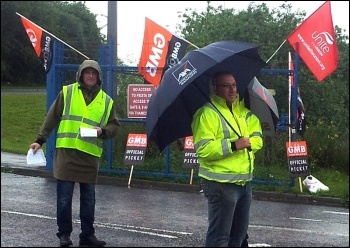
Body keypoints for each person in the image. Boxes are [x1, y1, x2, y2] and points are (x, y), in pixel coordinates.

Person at [29, 60, 120, 247]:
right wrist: (40, 140)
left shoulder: (107, 100)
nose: (91, 76)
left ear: (98, 77)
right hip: (67, 154)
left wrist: (103, 131)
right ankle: (64, 235)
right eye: (87, 73)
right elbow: (51, 117)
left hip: (89, 156)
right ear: (80, 75)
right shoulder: (68, 92)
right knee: (64, 198)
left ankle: (87, 235)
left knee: (89, 199)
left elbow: (114, 126)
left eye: (94, 73)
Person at [191, 71, 263, 247]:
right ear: (215, 88)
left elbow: (258, 138)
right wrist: (233, 145)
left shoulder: (244, 113)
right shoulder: (207, 114)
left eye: (234, 85)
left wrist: (248, 143)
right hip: (220, 183)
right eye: (226, 86)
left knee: (238, 237)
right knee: (220, 238)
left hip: (244, 183)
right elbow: (203, 149)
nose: (232, 90)